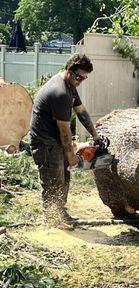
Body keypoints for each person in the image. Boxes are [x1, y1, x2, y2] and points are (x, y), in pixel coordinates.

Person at [29, 53, 99, 227]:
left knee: (65, 177)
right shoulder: (60, 92)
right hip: (45, 142)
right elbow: (65, 131)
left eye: (84, 78)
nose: (80, 81)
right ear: (69, 69)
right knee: (53, 179)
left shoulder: (70, 84)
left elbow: (81, 111)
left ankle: (60, 212)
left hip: (55, 138)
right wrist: (72, 157)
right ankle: (52, 219)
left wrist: (95, 135)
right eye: (78, 77)